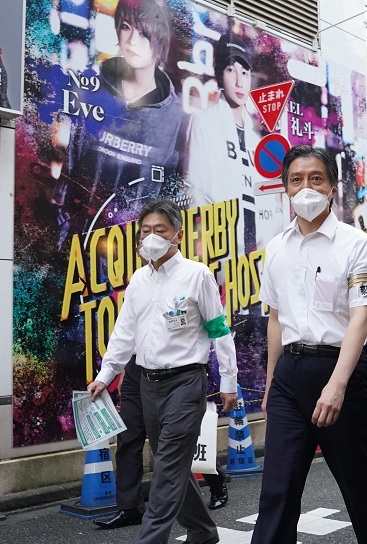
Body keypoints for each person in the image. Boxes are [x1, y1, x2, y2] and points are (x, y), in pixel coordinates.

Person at [252, 146, 367, 544]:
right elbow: (276, 319)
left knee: (359, 485)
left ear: (332, 187)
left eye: (315, 178)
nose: (306, 187)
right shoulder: (276, 248)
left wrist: (337, 384)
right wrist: (270, 385)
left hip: (341, 373)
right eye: (296, 180)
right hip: (288, 378)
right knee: (277, 489)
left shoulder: (355, 244)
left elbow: (361, 317)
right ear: (285, 189)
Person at [88, 198, 238, 544]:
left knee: (166, 470)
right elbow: (124, 333)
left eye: (160, 230)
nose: (151, 238)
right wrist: (105, 375)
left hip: (186, 383)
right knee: (171, 466)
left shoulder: (196, 275)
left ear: (178, 236)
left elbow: (219, 330)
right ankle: (202, 531)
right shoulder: (139, 279)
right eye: (145, 231)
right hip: (148, 386)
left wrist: (229, 381)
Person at [56, 0, 185, 247]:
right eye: (126, 27)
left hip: (133, 256)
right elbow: (71, 169)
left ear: (159, 40)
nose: (132, 40)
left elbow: (168, 192)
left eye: (144, 33)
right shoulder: (92, 91)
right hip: (74, 245)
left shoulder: (174, 116)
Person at [94, 358, 231, 531]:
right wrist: (124, 372)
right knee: (128, 437)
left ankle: (216, 480)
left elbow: (218, 336)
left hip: (173, 369)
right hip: (135, 370)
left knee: (173, 440)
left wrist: (228, 381)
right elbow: (126, 337)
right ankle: (130, 508)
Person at [187, 31, 262, 254]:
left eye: (245, 73)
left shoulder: (255, 142)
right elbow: (195, 192)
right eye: (231, 70)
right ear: (220, 75)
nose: (240, 82)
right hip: (218, 252)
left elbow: (266, 204)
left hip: (255, 257)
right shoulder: (204, 121)